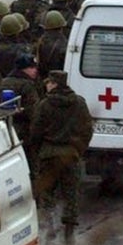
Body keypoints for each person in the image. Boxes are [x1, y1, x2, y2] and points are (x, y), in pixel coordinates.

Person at [31, 70, 93, 229]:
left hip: (48, 154)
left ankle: (47, 223)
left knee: (47, 191)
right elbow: (87, 130)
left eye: (49, 83)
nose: (47, 86)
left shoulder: (44, 105)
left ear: (54, 84)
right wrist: (79, 149)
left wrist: (37, 151)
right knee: (71, 191)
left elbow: (36, 132)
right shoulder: (79, 103)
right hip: (71, 154)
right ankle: (70, 223)